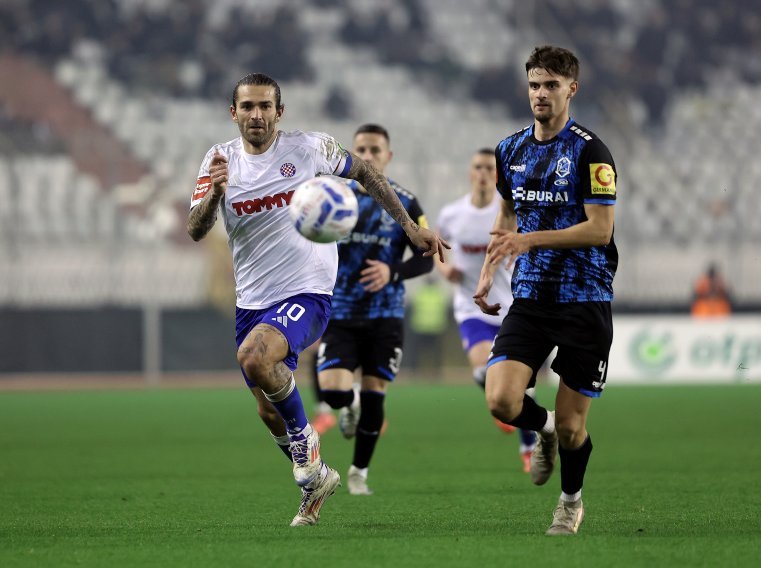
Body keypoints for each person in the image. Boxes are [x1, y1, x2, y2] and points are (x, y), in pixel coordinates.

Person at [187, 74, 447, 526]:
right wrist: (214, 195)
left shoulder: (310, 149)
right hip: (252, 301)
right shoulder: (218, 161)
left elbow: (366, 173)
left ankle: (307, 449)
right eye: (247, 106)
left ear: (279, 112)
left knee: (253, 357)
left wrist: (410, 228)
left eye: (265, 106)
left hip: (308, 291)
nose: (256, 114)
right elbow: (195, 228)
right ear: (233, 113)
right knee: (268, 409)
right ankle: (316, 480)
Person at [473, 46, 618, 535]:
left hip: (585, 298)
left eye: (551, 85)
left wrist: (528, 239)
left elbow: (600, 229)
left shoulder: (590, 151)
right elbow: (508, 215)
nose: (540, 93)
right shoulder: (509, 149)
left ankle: (571, 501)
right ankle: (546, 430)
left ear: (571, 89)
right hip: (532, 297)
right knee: (500, 400)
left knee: (577, 426)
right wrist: (488, 269)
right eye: (535, 84)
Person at [316, 123, 434, 495]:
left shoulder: (407, 202)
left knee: (375, 392)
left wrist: (392, 270)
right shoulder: (333, 198)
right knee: (333, 391)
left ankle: (358, 473)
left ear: (388, 156)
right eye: (361, 150)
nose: (367, 157)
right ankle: (345, 404)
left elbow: (427, 259)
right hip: (340, 312)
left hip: (385, 315)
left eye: (375, 150)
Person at [436, 148, 537, 473]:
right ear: (470, 172)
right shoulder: (452, 214)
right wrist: (445, 270)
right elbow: (435, 249)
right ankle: (500, 402)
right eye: (477, 167)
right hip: (471, 307)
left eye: (489, 168)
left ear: (497, 174)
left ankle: (528, 443)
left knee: (521, 386)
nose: (482, 173)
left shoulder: (508, 210)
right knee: (482, 368)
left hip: (511, 306)